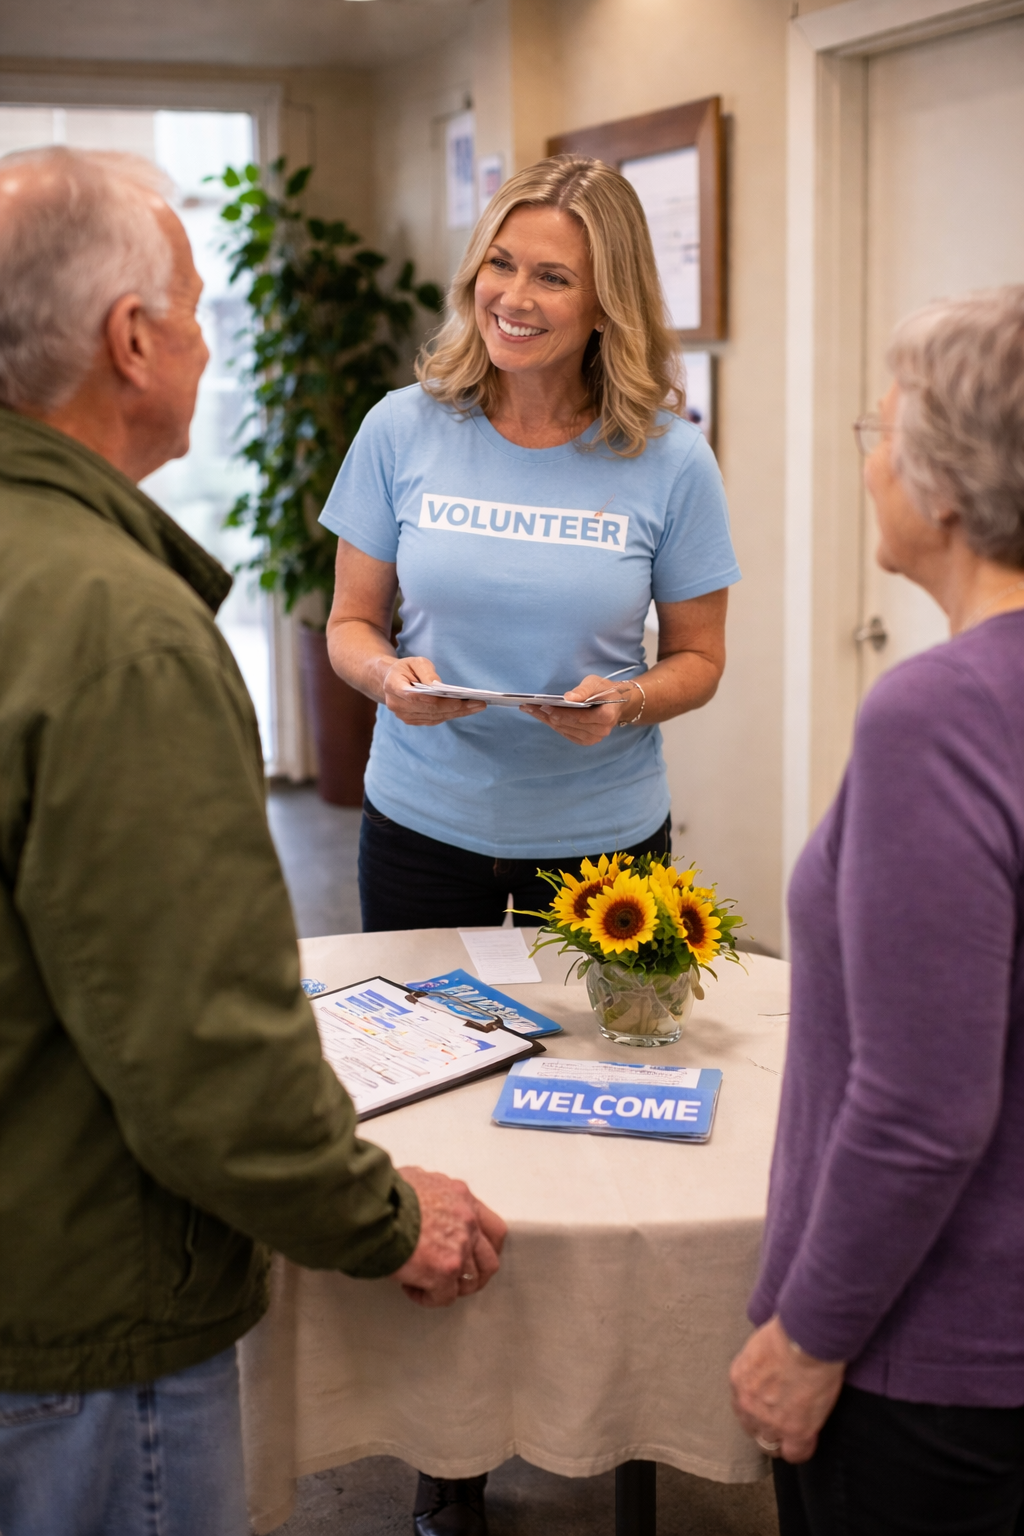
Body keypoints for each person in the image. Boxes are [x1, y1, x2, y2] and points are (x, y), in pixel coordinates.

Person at [0, 146, 505, 1536]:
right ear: (132, 341)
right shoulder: (118, 630)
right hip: (81, 1326)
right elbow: (200, 1047)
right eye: (199, 309)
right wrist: (384, 1218)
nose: (212, 344)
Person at [322, 153, 740, 1534]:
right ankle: (449, 1468)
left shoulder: (670, 458)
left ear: (607, 296)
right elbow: (350, 626)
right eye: (501, 263)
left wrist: (627, 697)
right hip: (425, 829)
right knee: (441, 1138)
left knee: (604, 1142)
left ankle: (616, 1439)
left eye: (550, 274)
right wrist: (388, 680)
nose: (512, 295)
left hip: (606, 860)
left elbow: (698, 659)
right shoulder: (404, 428)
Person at [730, 286, 1024, 1535]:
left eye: (881, 432)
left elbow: (917, 1111)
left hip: (936, 1361)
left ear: (947, 485)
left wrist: (809, 1335)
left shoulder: (942, 716)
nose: (869, 466)